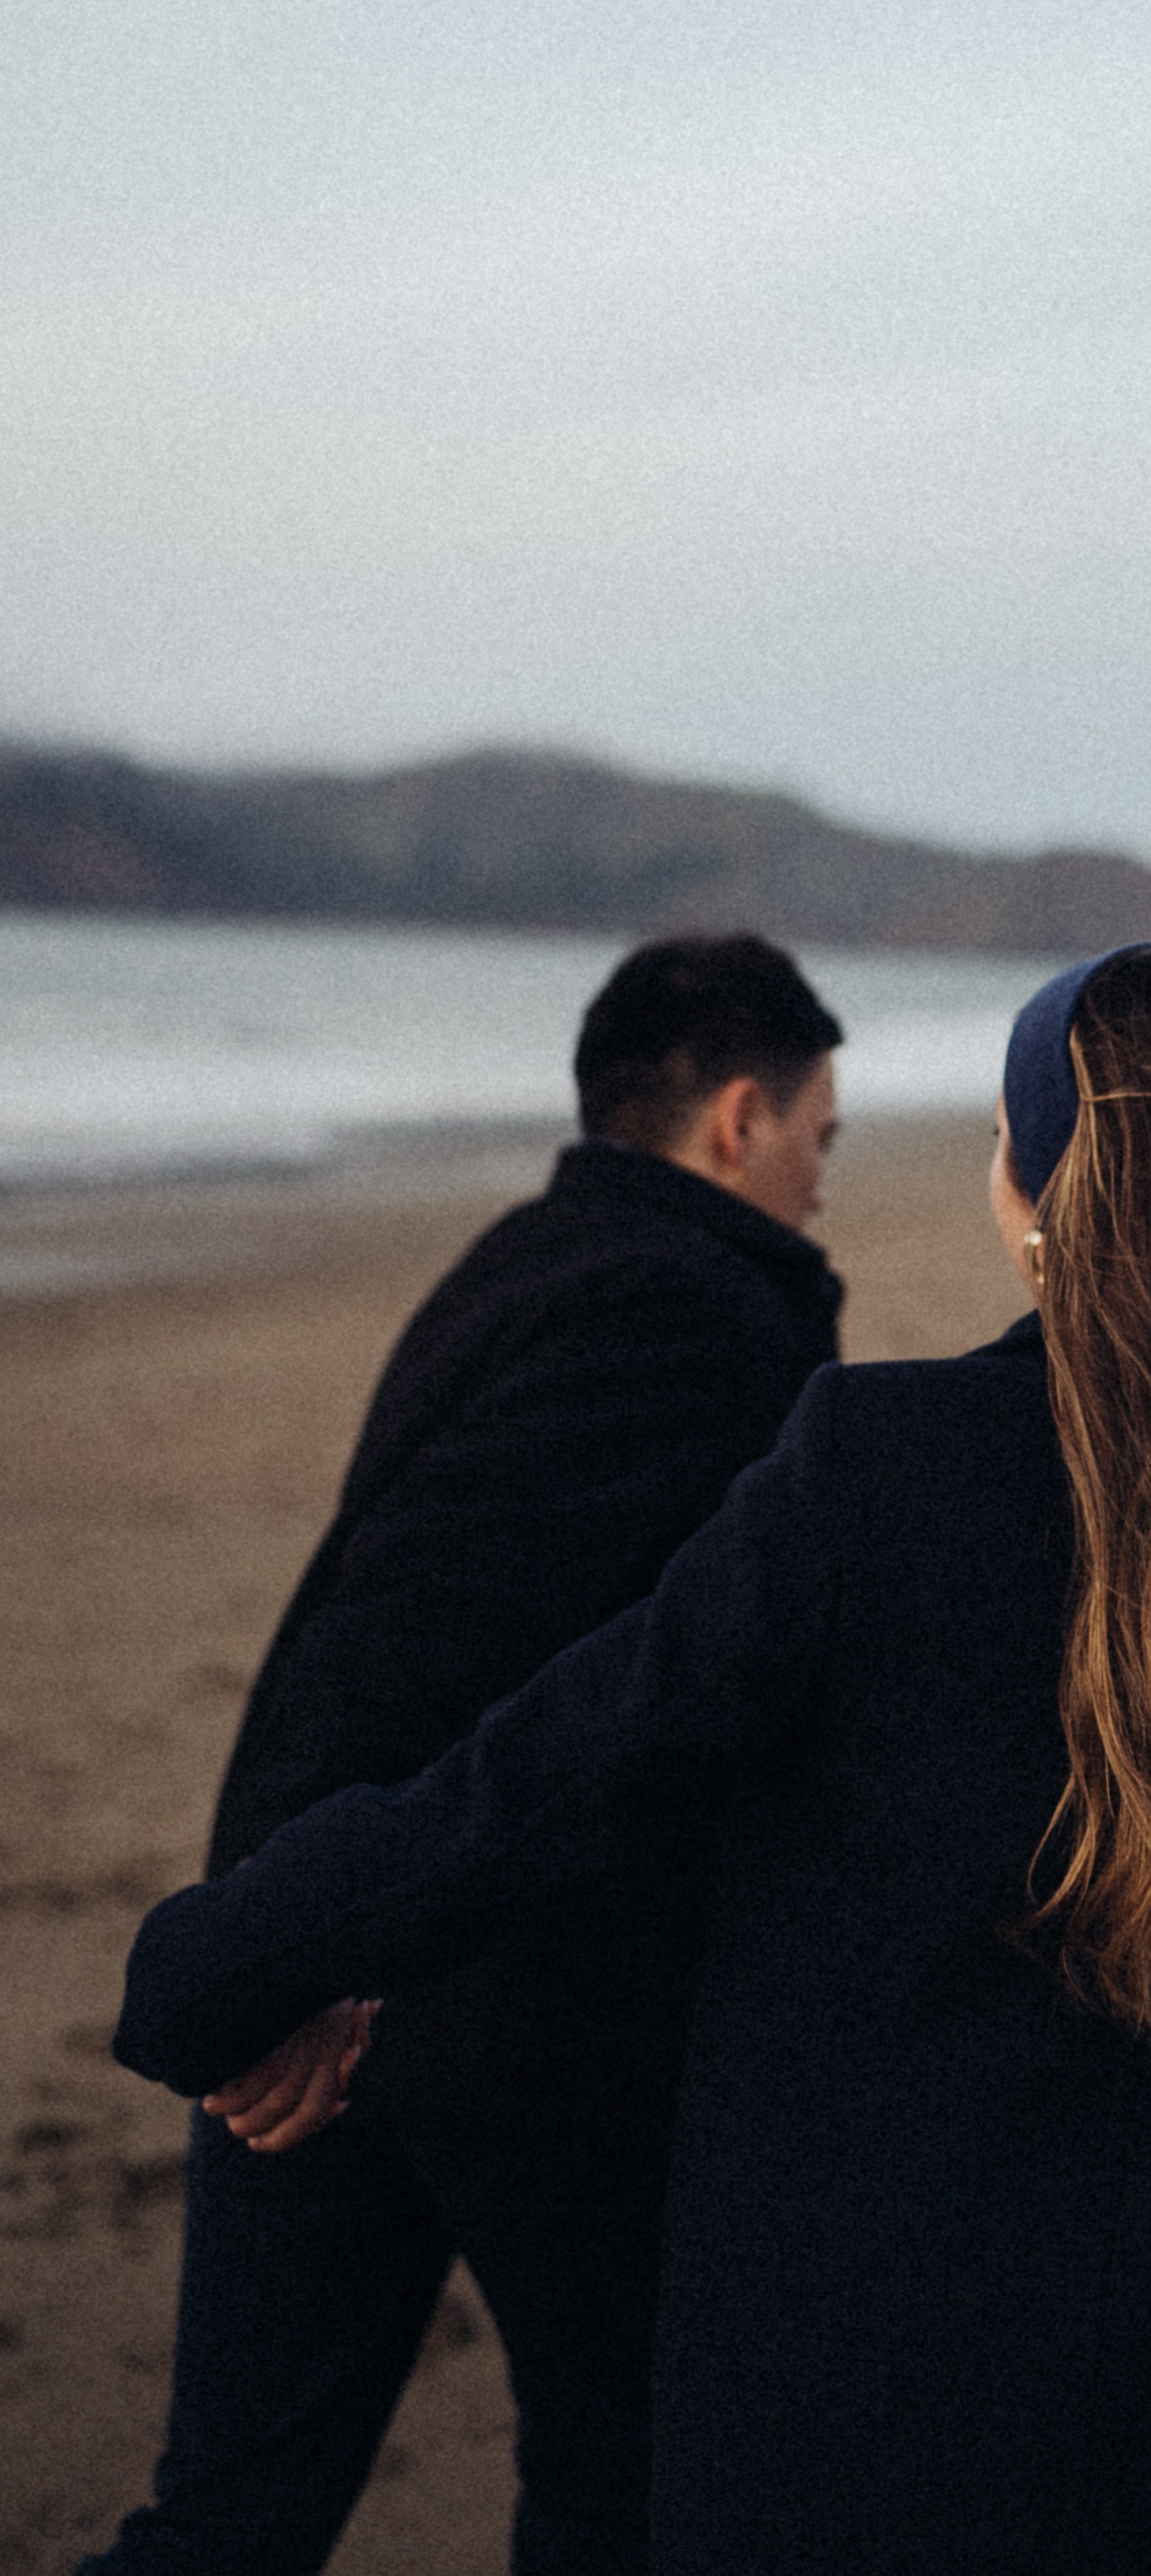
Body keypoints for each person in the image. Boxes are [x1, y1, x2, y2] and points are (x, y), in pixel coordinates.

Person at [113, 942, 1151, 2573]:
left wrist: (225, 1961)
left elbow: (555, 1769)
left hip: (891, 2435)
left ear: (1037, 1189)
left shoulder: (878, 1470)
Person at [83, 935, 844, 2576]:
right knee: (618, 2481)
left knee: (228, 2512)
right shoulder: (686, 1309)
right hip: (480, 1998)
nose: (816, 1185)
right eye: (814, 1141)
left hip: (334, 1933)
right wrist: (313, 1959)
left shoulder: (519, 1260)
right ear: (733, 1120)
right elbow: (432, 1638)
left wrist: (279, 1924)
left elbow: (359, 1631)